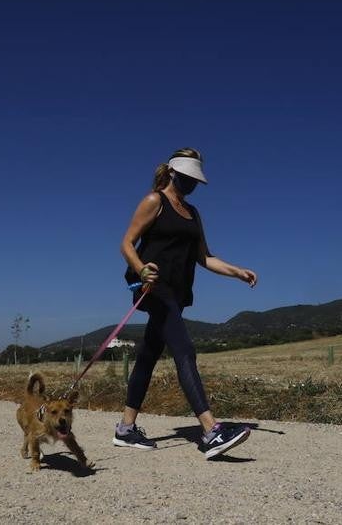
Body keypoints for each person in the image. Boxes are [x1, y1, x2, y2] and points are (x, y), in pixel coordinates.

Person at [114, 148, 259, 459]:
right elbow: (126, 242)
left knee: (148, 356)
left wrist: (237, 272)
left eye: (197, 180)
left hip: (178, 293)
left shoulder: (193, 213)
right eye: (189, 178)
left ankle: (125, 429)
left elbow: (204, 257)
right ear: (174, 173)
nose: (193, 184)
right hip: (154, 288)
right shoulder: (155, 201)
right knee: (184, 350)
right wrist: (141, 268)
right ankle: (210, 431)